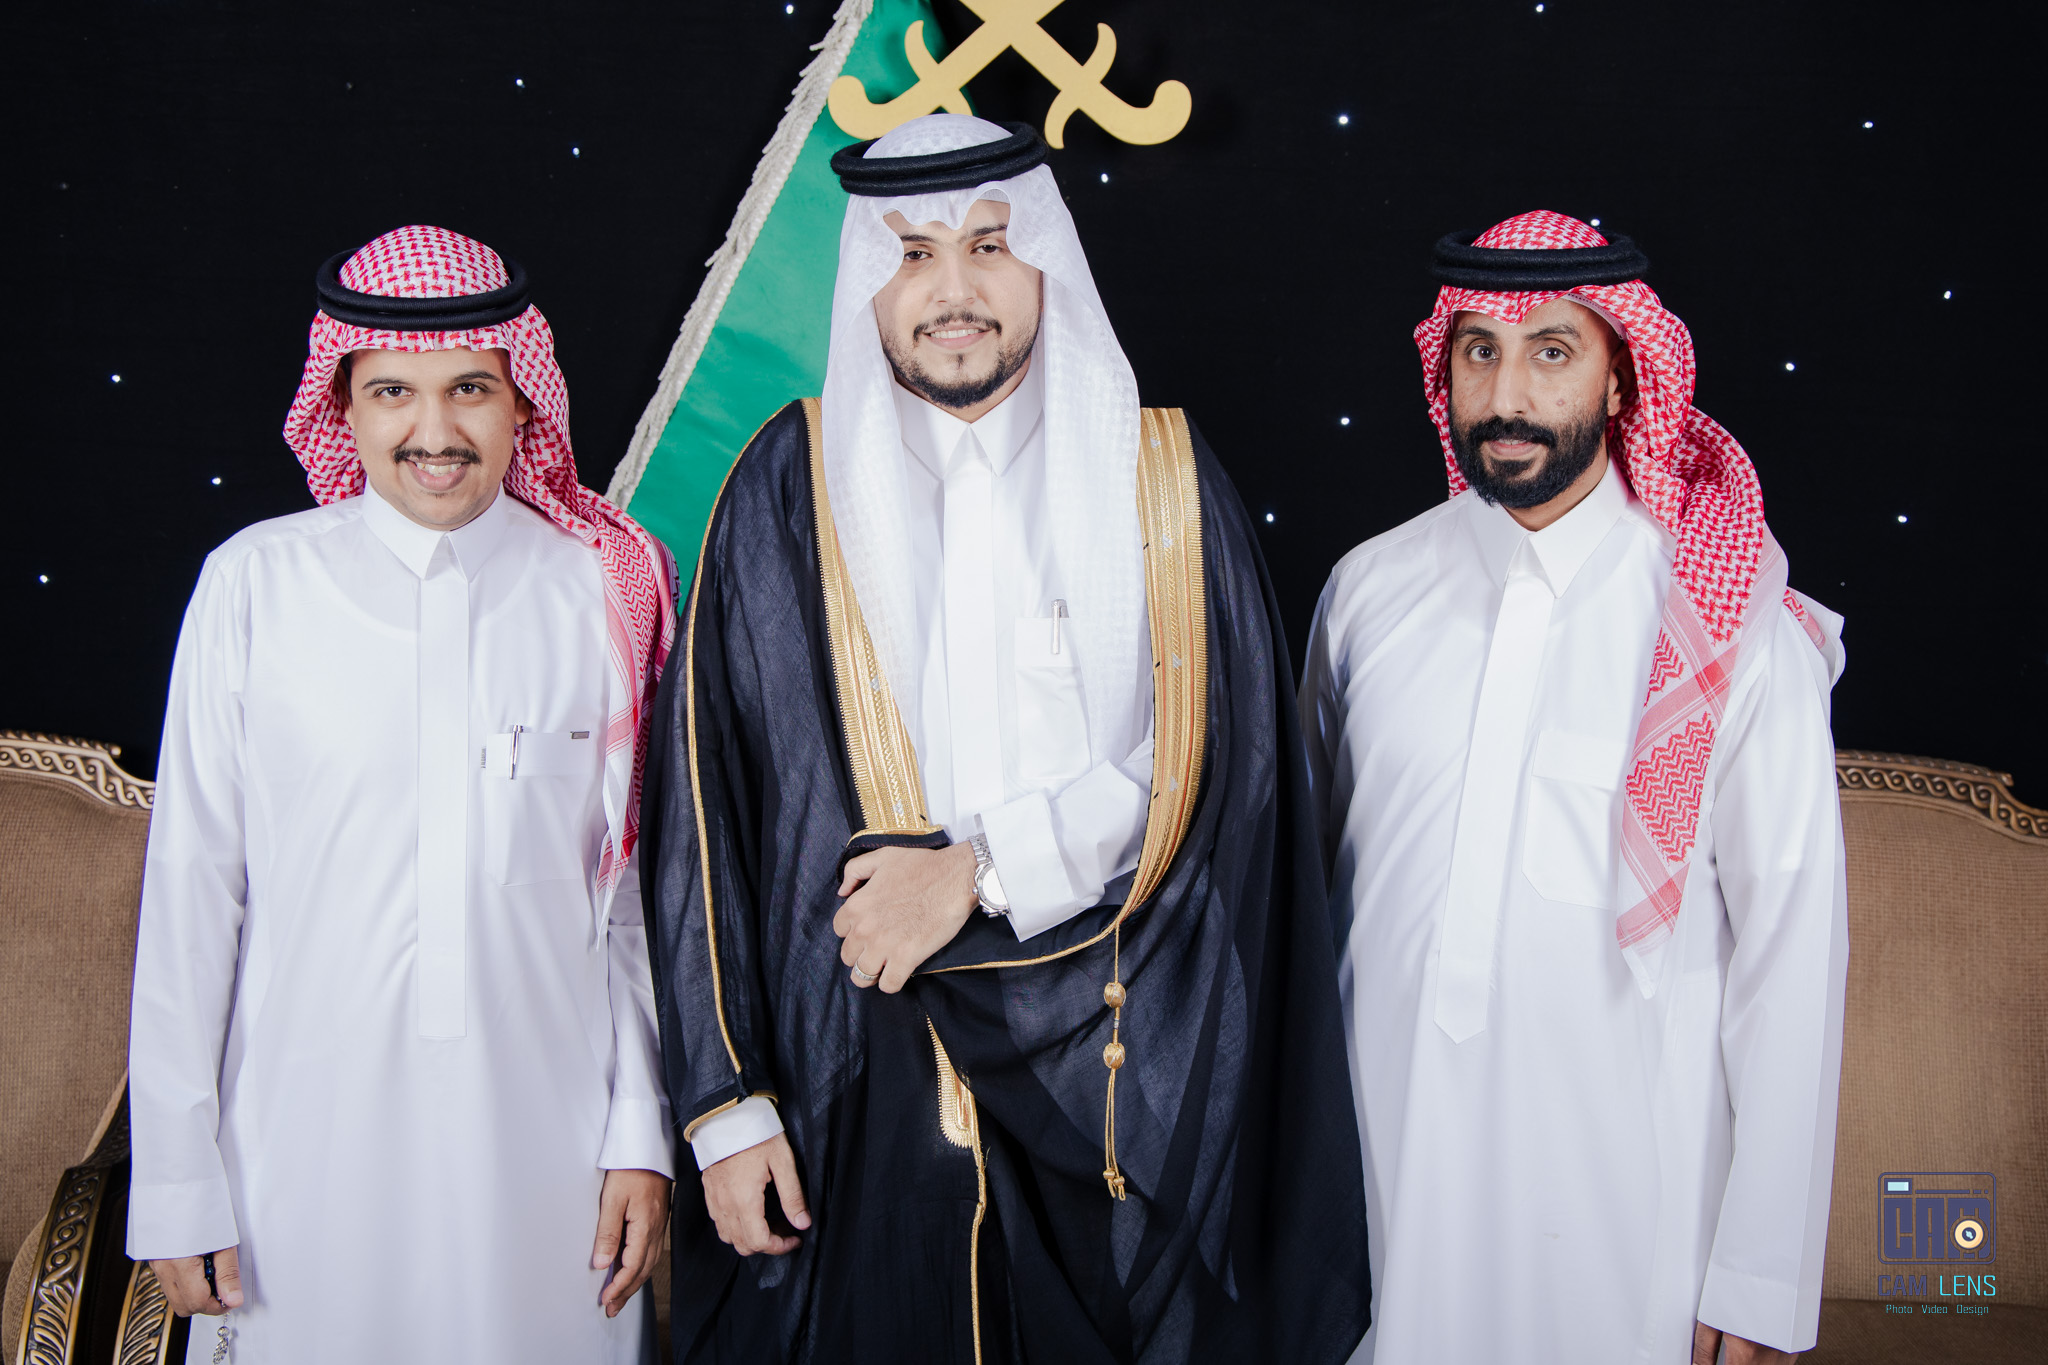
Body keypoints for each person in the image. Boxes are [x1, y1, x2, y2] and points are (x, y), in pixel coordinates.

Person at [641, 114, 1369, 1363]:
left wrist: (975, 873)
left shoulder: (1158, 478)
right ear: (867, 285)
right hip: (844, 1079)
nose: (953, 292)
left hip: (1113, 1084)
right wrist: (725, 1106)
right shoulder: (784, 484)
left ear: (1044, 263)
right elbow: (706, 811)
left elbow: (1215, 774)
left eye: (988, 245)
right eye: (912, 254)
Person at [1302, 211, 1849, 1364]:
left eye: (1551, 351)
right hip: (1382, 1164)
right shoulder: (1365, 593)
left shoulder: (1731, 627)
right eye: (1479, 351)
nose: (1506, 394)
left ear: (1618, 379)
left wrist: (1758, 1276)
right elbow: (1305, 899)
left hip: (1625, 1193)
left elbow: (1790, 954)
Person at [127, 225, 678, 1362]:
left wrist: (640, 1131)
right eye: (392, 392)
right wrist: (177, 1177)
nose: (435, 431)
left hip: (550, 1164)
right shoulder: (254, 585)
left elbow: (629, 900)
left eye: (470, 388)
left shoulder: (603, 588)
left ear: (522, 402)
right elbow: (191, 900)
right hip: (297, 1162)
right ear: (342, 406)